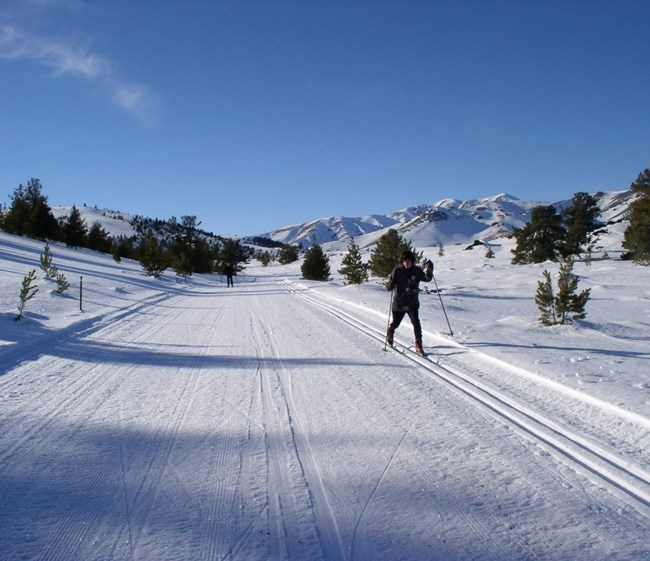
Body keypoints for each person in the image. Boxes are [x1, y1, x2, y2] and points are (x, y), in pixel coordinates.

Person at [386, 250, 434, 354]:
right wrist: (390, 285)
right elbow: (389, 285)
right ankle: (390, 331)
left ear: (412, 261)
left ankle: (418, 343)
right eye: (404, 260)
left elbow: (427, 278)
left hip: (412, 303)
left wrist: (430, 270)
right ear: (402, 261)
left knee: (416, 323)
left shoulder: (417, 271)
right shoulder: (397, 271)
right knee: (396, 323)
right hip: (399, 303)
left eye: (409, 260)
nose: (407, 262)